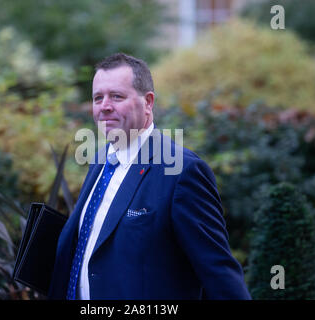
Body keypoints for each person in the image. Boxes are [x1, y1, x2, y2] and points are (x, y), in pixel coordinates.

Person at [48, 53, 251, 300]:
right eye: (97, 98)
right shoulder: (100, 161)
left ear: (148, 102)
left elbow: (219, 273)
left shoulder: (181, 172)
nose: (105, 106)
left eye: (117, 96)